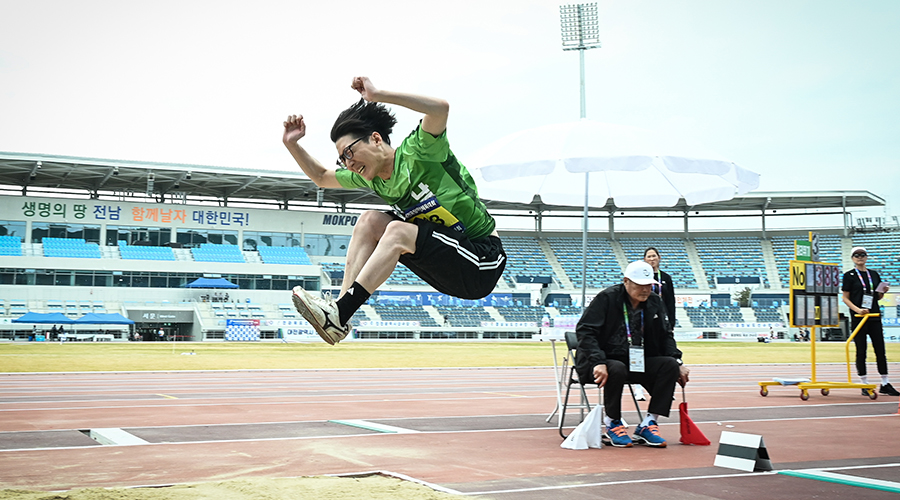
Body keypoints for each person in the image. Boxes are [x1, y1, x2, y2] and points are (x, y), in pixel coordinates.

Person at [283, 76, 506, 345]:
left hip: (481, 261)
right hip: (447, 261)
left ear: (376, 139)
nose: (348, 164)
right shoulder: (370, 177)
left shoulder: (419, 150)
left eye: (350, 153)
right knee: (369, 220)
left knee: (397, 230)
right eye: (342, 159)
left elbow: (440, 109)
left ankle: (339, 313)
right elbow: (321, 176)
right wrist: (292, 144)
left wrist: (378, 95)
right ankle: (339, 315)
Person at [575, 260, 689, 448]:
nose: (645, 290)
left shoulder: (654, 301)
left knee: (669, 365)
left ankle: (649, 423)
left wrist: (678, 361)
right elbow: (585, 331)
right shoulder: (607, 298)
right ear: (626, 281)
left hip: (637, 361)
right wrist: (598, 361)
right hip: (602, 362)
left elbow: (666, 335)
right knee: (617, 368)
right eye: (640, 285)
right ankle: (613, 422)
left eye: (649, 285)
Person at [841, 246, 899, 397]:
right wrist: (857, 310)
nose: (860, 257)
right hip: (859, 318)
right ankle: (864, 383)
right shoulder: (849, 275)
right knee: (861, 350)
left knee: (880, 350)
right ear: (852, 258)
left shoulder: (874, 274)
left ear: (866, 257)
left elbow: (877, 297)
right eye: (856, 255)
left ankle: (885, 383)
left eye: (862, 255)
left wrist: (882, 292)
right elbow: (845, 298)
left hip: (874, 315)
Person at [638, 247, 676, 401]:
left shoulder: (666, 278)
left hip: (661, 322)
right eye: (649, 256)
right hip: (644, 322)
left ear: (659, 258)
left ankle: (662, 389)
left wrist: (671, 322)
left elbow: (670, 302)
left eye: (654, 256)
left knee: (663, 354)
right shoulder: (640, 277)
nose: (652, 259)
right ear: (645, 259)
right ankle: (638, 389)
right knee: (639, 355)